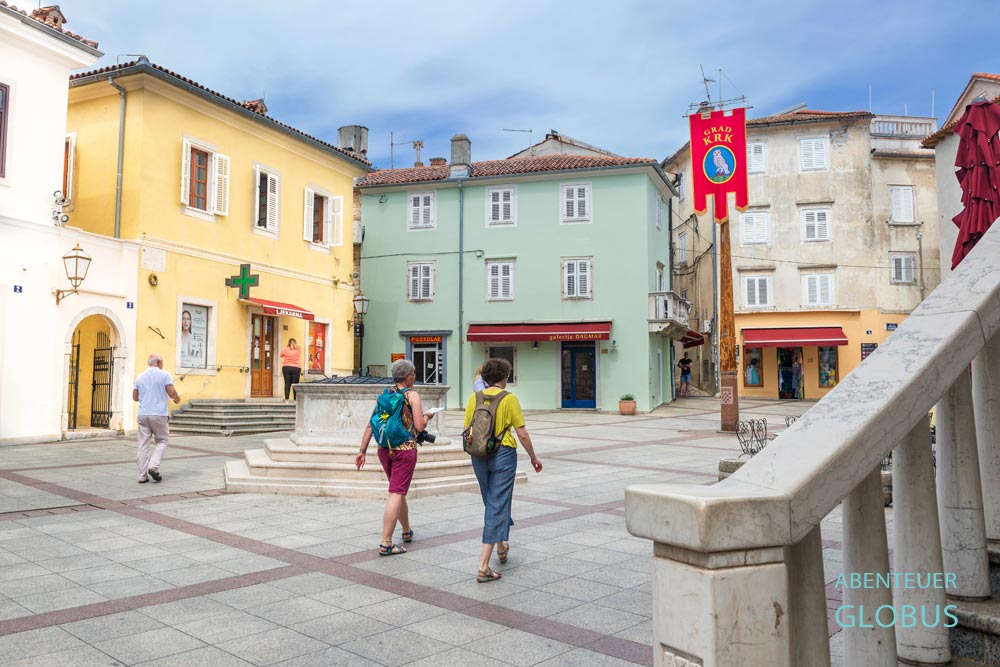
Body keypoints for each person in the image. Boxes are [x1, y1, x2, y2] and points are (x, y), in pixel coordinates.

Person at [465, 357, 542, 583]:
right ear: (503, 377)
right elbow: (522, 434)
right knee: (497, 502)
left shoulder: (474, 398)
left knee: (491, 501)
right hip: (503, 453)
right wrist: (534, 458)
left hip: (478, 454)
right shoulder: (509, 399)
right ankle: (483, 566)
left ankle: (501, 546)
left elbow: (467, 429)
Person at [355, 359, 433, 556]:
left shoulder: (385, 394)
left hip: (384, 449)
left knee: (398, 491)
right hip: (405, 449)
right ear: (407, 376)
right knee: (396, 493)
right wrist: (428, 416)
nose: (414, 377)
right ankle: (386, 542)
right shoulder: (412, 395)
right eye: (413, 374)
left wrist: (361, 451)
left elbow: (370, 425)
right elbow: (419, 427)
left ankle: (406, 531)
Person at [133, 353, 180, 484]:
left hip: (143, 414)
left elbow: (135, 397)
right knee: (162, 440)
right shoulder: (164, 374)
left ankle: (142, 475)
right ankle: (153, 466)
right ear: (159, 362)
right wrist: (177, 398)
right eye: (162, 362)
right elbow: (171, 391)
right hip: (158, 414)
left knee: (143, 444)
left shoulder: (140, 377)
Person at [280, 338, 303, 403]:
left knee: (287, 383)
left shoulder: (285, 348)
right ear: (295, 343)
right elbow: (299, 354)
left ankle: (286, 400)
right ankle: (295, 400)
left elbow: (281, 355)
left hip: (286, 367)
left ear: (289, 343)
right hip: (296, 368)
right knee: (295, 384)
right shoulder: (298, 349)